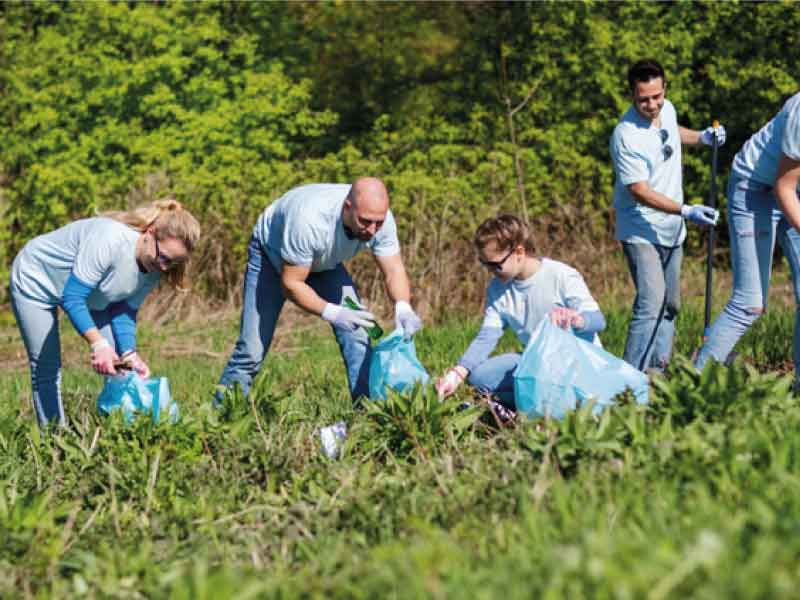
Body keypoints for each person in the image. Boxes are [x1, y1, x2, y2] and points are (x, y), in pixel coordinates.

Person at [216, 177, 422, 403]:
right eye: (365, 222)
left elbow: (393, 269)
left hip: (323, 264)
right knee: (251, 350)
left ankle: (367, 412)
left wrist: (403, 307)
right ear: (347, 207)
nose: (372, 230)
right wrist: (332, 312)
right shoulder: (310, 219)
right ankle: (221, 418)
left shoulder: (380, 220)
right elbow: (291, 284)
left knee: (358, 334)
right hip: (271, 256)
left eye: (378, 223)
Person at [10, 198, 201, 428]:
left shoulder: (154, 268)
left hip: (89, 294)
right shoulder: (109, 240)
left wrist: (130, 353)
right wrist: (98, 344)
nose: (164, 267)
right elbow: (72, 298)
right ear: (150, 233)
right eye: (163, 258)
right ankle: (53, 440)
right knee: (47, 365)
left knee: (121, 368)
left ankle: (119, 431)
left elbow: (123, 308)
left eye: (172, 263)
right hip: (37, 279)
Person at [611, 58, 726, 372]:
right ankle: (627, 380)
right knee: (651, 302)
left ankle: (656, 372)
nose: (652, 104)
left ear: (664, 89)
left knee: (671, 305)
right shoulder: (626, 135)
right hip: (640, 228)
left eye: (657, 96)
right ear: (632, 96)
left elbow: (673, 132)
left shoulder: (668, 109)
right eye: (644, 99)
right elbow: (639, 191)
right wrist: (687, 210)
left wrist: (701, 137)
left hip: (672, 228)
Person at [435, 214, 606, 410]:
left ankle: (549, 405)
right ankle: (520, 405)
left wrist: (576, 319)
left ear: (519, 251)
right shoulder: (497, 289)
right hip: (538, 362)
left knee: (556, 391)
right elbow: (486, 338)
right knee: (480, 377)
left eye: (495, 264)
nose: (490, 271)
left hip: (578, 364)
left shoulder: (561, 275)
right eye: (484, 264)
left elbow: (598, 321)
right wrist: (457, 373)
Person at [695, 92, 800, 381]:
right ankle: (694, 383)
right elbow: (784, 187)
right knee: (749, 303)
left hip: (793, 189)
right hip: (755, 188)